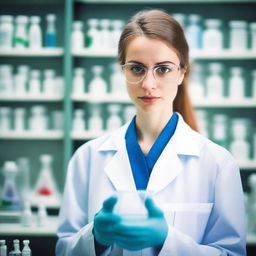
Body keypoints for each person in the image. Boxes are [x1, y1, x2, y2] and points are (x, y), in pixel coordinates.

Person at [56, 9, 246, 256]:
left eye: (163, 69)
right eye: (136, 68)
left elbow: (232, 253)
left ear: (182, 72)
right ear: (122, 70)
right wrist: (95, 238)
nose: (148, 84)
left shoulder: (218, 163)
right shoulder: (87, 157)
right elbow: (63, 250)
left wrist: (168, 240)